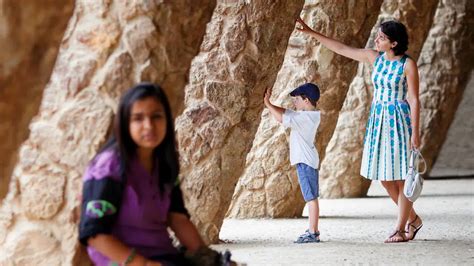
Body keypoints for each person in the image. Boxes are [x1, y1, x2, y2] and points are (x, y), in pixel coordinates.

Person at [296, 18, 423, 243]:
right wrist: (311, 32)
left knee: (403, 177)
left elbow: (413, 99)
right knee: (385, 178)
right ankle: (413, 219)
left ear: (393, 43)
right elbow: (342, 48)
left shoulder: (407, 64)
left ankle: (400, 228)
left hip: (399, 121)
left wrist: (416, 131)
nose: (377, 39)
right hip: (378, 120)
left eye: (382, 37)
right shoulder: (374, 57)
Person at [78, 83, 232, 265]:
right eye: (138, 118)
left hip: (162, 257)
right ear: (125, 123)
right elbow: (95, 234)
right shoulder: (108, 167)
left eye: (156, 116)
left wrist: (210, 259)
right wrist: (143, 264)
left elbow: (178, 218)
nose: (148, 125)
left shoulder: (164, 164)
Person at [264, 83, 322, 243]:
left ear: (306, 100)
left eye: (297, 99)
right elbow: (285, 112)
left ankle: (313, 232)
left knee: (311, 198)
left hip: (305, 161)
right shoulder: (308, 115)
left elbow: (280, 117)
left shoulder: (305, 118)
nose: (294, 102)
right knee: (311, 196)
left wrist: (267, 104)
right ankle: (313, 230)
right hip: (307, 160)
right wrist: (270, 103)